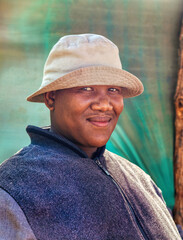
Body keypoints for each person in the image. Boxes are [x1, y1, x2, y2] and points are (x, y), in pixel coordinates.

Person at [0, 33, 182, 240]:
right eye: (86, 88)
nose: (104, 104)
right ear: (51, 98)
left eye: (113, 89)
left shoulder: (139, 179)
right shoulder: (13, 190)